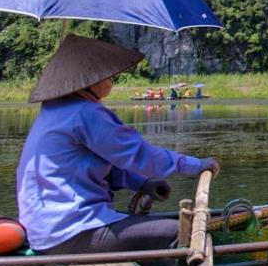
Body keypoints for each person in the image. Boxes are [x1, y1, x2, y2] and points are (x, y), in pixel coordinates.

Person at [15, 35, 220, 254]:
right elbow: (138, 154)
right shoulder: (85, 113)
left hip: (43, 232)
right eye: (109, 76)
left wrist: (142, 183)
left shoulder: (51, 112)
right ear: (91, 80)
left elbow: (101, 167)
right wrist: (196, 165)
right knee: (179, 232)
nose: (111, 80)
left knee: (157, 227)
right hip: (71, 230)